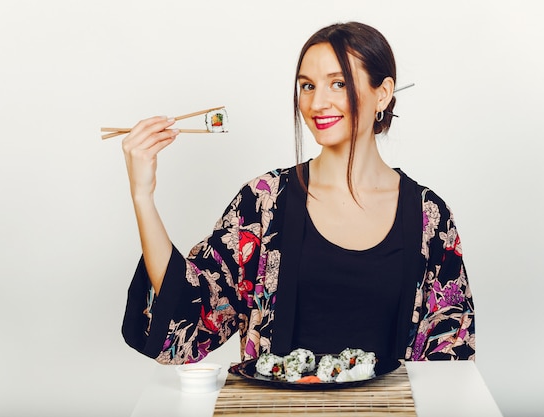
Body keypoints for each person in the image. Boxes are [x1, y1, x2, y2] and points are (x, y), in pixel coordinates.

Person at [121, 21, 475, 365]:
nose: (318, 102)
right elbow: (191, 314)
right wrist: (143, 196)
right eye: (307, 86)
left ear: (382, 92)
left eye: (338, 83)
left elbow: (450, 354)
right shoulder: (263, 201)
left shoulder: (430, 217)